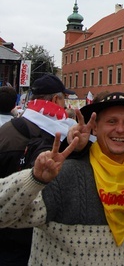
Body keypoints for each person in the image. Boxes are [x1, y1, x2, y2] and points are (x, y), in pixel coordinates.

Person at [0, 92, 124, 266]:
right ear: (95, 128)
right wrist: (34, 179)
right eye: (111, 121)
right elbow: (4, 216)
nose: (120, 129)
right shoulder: (66, 175)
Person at [0, 73, 76, 266]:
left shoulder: (6, 131)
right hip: (39, 238)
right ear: (55, 99)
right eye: (64, 99)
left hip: (6, 233)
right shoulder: (62, 137)